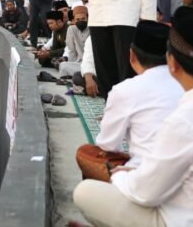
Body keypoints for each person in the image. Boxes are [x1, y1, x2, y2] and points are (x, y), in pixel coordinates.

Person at [73, 7, 193, 226]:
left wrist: (119, 175)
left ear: (172, 62)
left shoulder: (187, 120)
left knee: (85, 191)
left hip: (188, 219)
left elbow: (145, 193)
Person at [78, 20, 183, 175]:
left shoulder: (124, 90)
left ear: (131, 56)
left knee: (86, 154)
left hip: (146, 178)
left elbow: (107, 145)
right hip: (190, 176)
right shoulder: (188, 86)